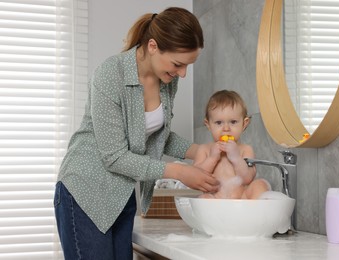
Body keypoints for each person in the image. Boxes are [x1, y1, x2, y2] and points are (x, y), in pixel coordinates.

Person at [54, 7, 219, 260]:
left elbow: (153, 135)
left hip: (121, 195)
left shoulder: (167, 81)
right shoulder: (111, 74)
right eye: (178, 64)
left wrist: (197, 151)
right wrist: (178, 171)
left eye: (187, 66)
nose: (183, 73)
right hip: (85, 193)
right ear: (153, 46)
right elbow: (114, 156)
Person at [193, 90, 270, 199]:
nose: (226, 128)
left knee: (260, 185)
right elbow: (196, 177)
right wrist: (212, 158)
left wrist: (236, 158)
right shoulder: (204, 149)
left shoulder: (245, 150)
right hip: (215, 201)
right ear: (208, 125)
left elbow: (247, 178)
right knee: (204, 198)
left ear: (244, 124)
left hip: (240, 202)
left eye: (233, 122)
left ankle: (253, 214)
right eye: (219, 123)